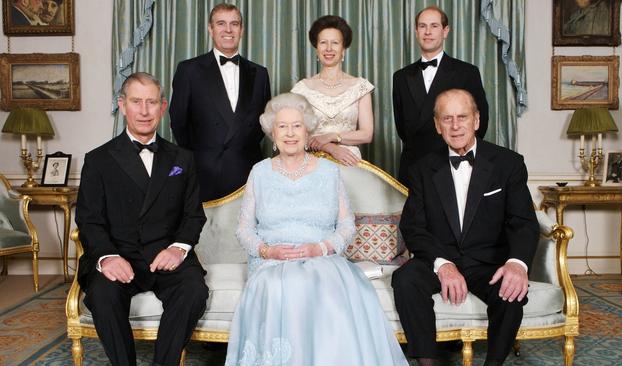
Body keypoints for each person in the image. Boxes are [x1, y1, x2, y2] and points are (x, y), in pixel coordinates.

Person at [225, 93, 408, 366]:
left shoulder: (328, 172)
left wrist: (319, 248)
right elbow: (244, 229)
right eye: (282, 126)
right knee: (279, 286)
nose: (290, 133)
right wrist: (268, 251)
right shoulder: (259, 172)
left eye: (297, 126)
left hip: (321, 258)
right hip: (270, 263)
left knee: (318, 286)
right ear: (272, 133)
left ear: (307, 129)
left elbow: (346, 226)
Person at [391, 89, 539, 366]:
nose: (455, 125)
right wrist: (443, 265)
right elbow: (413, 226)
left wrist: (517, 263)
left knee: (511, 293)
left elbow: (523, 222)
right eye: (447, 119)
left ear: (477, 120)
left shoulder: (508, 164)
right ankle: (428, 362)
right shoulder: (422, 168)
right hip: (442, 255)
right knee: (405, 279)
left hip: (489, 261)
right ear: (437, 125)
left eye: (462, 117)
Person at [75, 72, 209, 366]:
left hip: (165, 254)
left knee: (194, 290)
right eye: (137, 102)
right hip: (119, 253)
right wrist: (108, 257)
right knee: (103, 294)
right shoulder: (98, 160)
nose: (145, 111)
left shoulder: (182, 159)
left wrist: (178, 248)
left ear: (163, 107)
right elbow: (89, 220)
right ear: (122, 105)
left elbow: (193, 215)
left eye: (152, 103)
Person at [170, 3, 271, 202]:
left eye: (234, 24)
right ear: (210, 28)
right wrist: (204, 156)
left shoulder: (260, 73)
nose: (228, 30)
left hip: (248, 171)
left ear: (241, 30)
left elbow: (264, 123)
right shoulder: (189, 70)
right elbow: (178, 122)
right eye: (221, 24)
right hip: (204, 172)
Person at [393, 5, 489, 188]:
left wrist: (459, 151)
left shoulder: (467, 72)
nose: (427, 32)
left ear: (446, 31)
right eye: (422, 26)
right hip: (414, 167)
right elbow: (402, 128)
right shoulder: (400, 77)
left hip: (454, 162)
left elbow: (480, 122)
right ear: (416, 31)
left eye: (434, 26)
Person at [291, 15, 374, 166]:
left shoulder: (360, 87)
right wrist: (329, 147)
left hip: (349, 161)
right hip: (312, 163)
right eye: (323, 43)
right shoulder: (301, 89)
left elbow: (367, 134)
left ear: (343, 49)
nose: (329, 48)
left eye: (335, 43)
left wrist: (333, 136)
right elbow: (296, 134)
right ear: (317, 49)